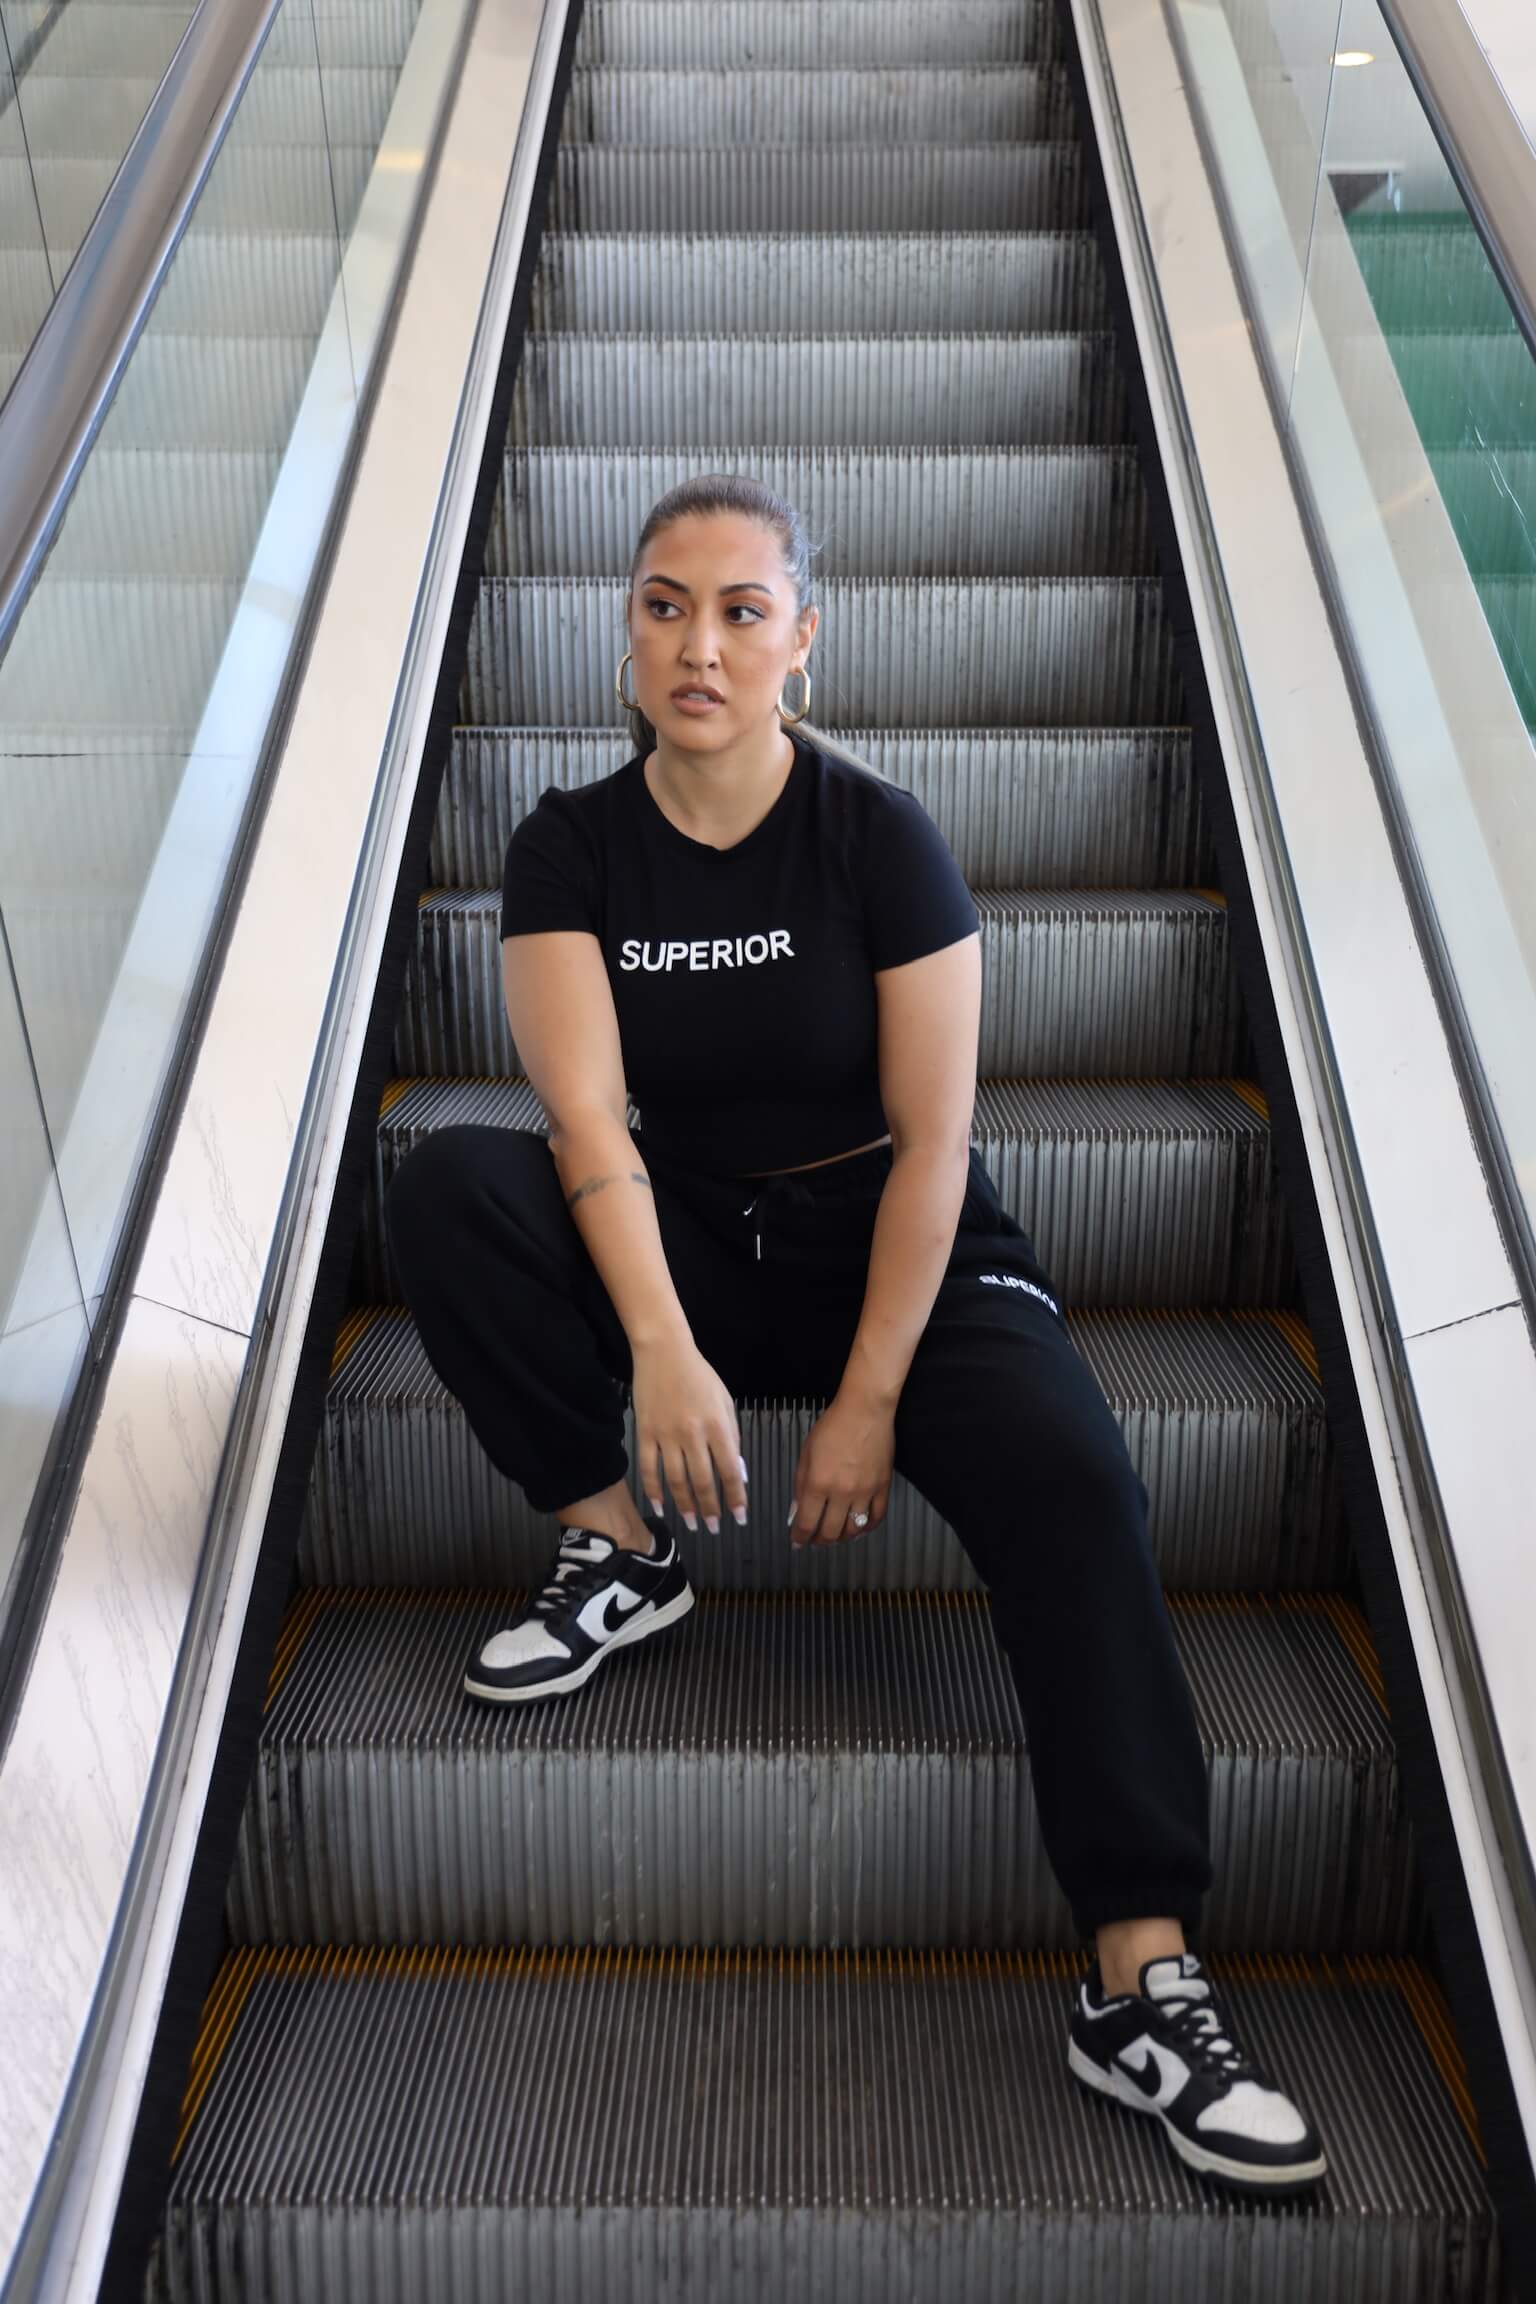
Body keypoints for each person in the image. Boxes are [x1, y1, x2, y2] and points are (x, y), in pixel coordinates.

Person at [384, 472, 1326, 2198]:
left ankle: (1140, 1975)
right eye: (666, 603)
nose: (702, 643)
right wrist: (662, 1353)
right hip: (682, 1230)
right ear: (625, 637)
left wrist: (872, 1394)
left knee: (1070, 1477)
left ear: (801, 643)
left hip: (900, 1239)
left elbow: (939, 1138)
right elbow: (586, 1128)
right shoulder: (568, 844)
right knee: (453, 1185)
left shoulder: (879, 834)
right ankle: (613, 1549)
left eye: (744, 611)